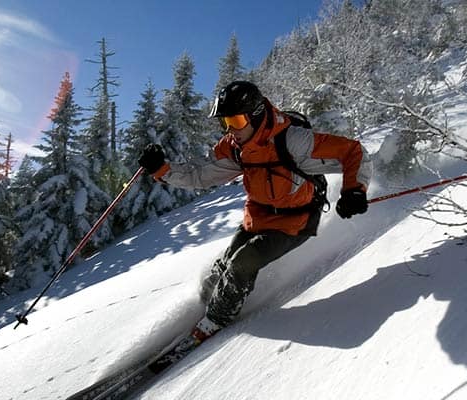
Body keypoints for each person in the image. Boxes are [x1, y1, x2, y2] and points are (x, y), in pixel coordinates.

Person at [138, 80, 371, 344]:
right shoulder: (237, 148)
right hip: (257, 217)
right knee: (223, 266)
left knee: (243, 261)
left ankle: (215, 320)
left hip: (294, 221)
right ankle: (203, 307)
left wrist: (354, 189)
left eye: (235, 121)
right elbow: (200, 175)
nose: (230, 130)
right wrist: (161, 169)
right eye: (225, 123)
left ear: (256, 114)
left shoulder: (293, 141)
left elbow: (353, 151)